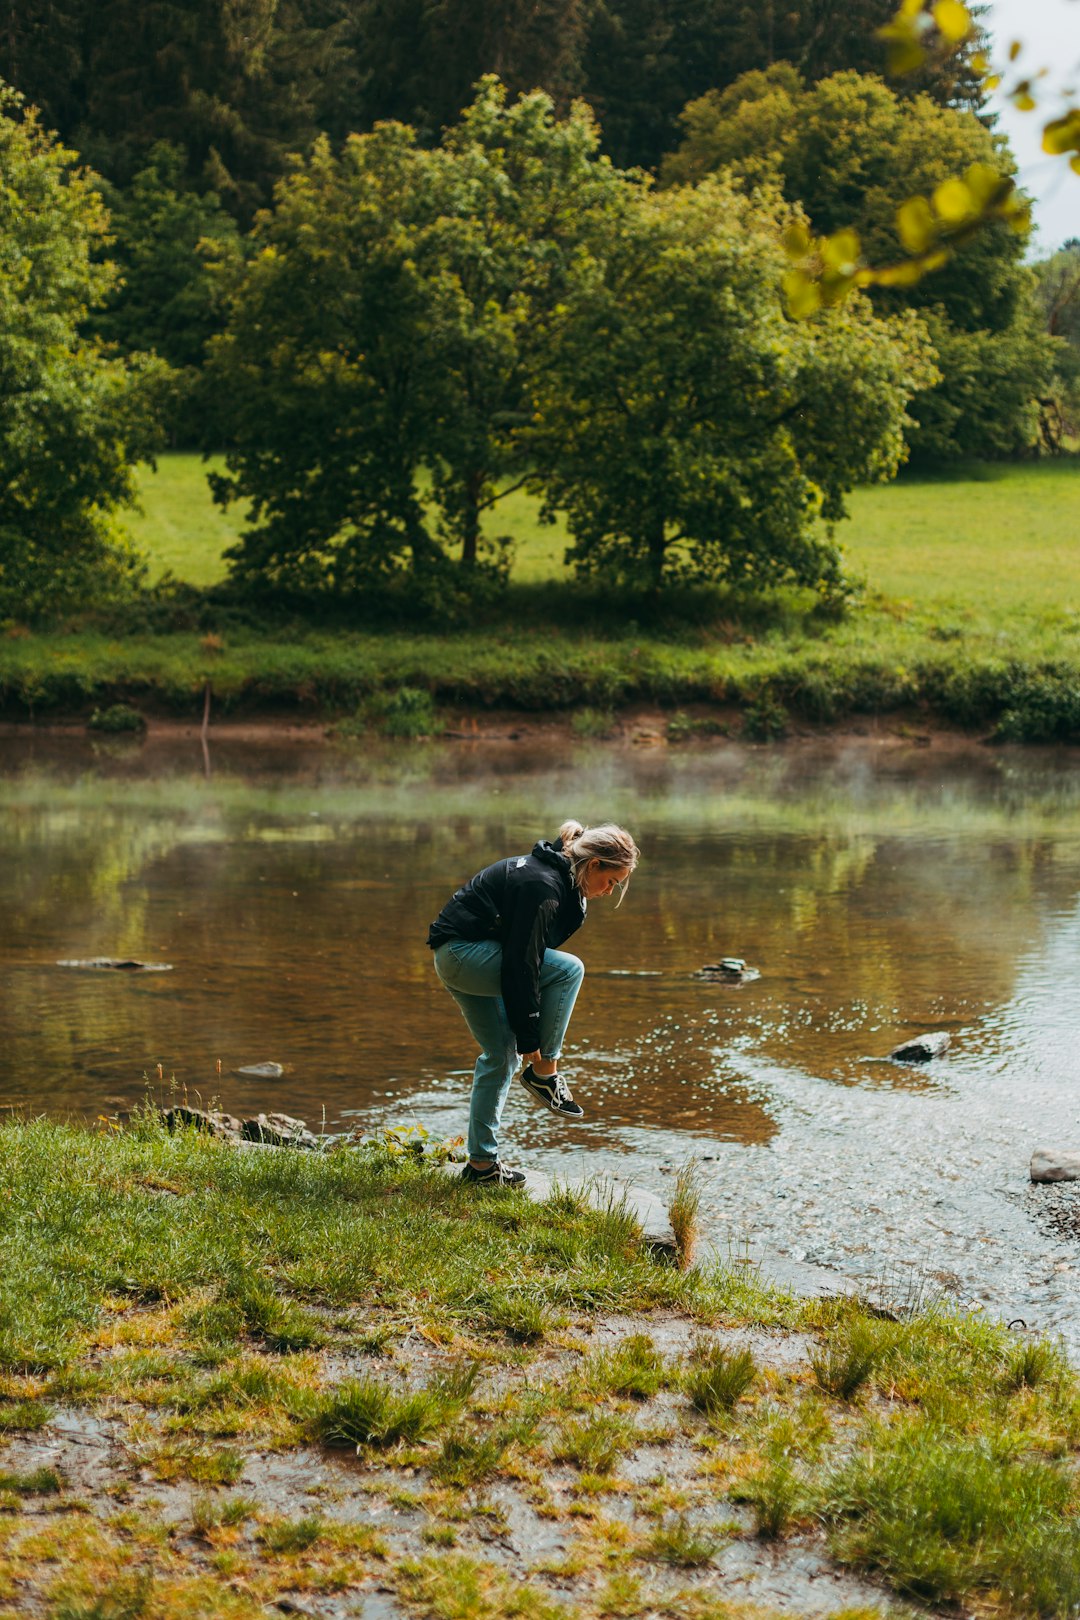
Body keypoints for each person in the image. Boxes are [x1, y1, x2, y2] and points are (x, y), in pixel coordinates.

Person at [428, 819, 640, 1187]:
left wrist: (522, 1042)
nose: (609, 891)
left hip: (461, 956)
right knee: (570, 969)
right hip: (465, 955)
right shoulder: (542, 886)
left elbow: (524, 959)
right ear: (593, 865)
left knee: (499, 1056)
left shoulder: (555, 876)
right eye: (611, 881)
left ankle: (481, 1166)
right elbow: (521, 966)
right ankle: (546, 1074)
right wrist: (534, 1047)